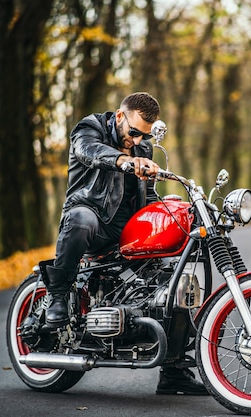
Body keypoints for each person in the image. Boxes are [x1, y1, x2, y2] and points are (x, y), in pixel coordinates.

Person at [46, 92, 208, 396]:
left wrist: (163, 207)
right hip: (92, 220)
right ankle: (57, 294)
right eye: (133, 132)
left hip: (126, 231)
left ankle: (174, 372)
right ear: (120, 117)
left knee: (175, 284)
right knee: (81, 218)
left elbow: (144, 195)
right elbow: (88, 151)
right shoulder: (90, 128)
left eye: (144, 135)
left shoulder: (143, 146)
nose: (137, 140)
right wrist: (123, 161)